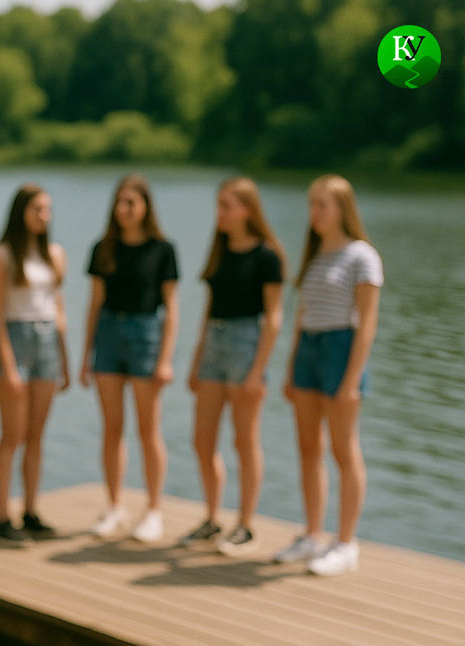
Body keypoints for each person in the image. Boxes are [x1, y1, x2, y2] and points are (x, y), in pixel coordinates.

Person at [274, 174, 382, 576]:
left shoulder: (362, 255)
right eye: (311, 204)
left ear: (343, 209)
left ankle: (345, 542)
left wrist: (352, 379)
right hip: (309, 352)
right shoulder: (315, 254)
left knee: (343, 449)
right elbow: (303, 316)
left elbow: (367, 322)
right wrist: (290, 367)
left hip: (340, 352)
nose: (314, 213)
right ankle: (312, 535)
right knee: (307, 447)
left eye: (322, 205)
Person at [179, 177, 285, 555]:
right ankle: (212, 518)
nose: (219, 213)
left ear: (248, 210)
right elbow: (210, 309)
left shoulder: (267, 256)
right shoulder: (219, 250)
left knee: (245, 440)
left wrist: (258, 370)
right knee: (202, 440)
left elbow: (273, 317)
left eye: (227, 205)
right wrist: (195, 357)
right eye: (218, 205)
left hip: (246, 347)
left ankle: (246, 525)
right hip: (214, 346)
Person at [79, 173, 179, 542]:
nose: (124, 209)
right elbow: (94, 303)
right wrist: (86, 353)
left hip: (146, 336)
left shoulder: (162, 249)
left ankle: (153, 510)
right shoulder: (102, 248)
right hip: (108, 335)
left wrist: (165, 358)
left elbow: (172, 307)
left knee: (148, 429)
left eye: (131, 203)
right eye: (119, 202)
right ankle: (114, 506)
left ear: (146, 206)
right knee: (112, 427)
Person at [0, 184, 70, 542]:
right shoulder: (2, 255)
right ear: (21, 211)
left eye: (48, 209)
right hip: (16, 341)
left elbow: (58, 307)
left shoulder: (55, 253)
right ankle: (4, 517)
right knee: (12, 435)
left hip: (48, 342)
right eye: (38, 208)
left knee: (37, 435)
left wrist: (65, 357)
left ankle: (31, 511)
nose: (44, 215)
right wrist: (7, 363)